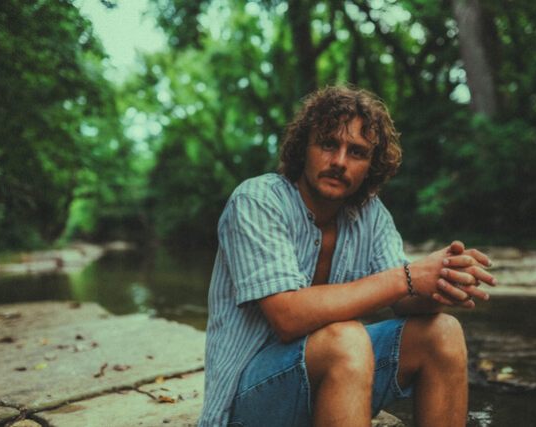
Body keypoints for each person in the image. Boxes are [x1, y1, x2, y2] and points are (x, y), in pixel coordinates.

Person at [198, 86, 497, 427]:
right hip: (246, 402)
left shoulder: (371, 214)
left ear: (370, 165)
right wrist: (408, 277)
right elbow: (287, 317)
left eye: (356, 152)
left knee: (443, 332)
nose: (340, 161)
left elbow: (405, 301)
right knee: (347, 338)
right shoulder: (257, 200)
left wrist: (443, 280)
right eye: (328, 144)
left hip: (333, 380)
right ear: (304, 148)